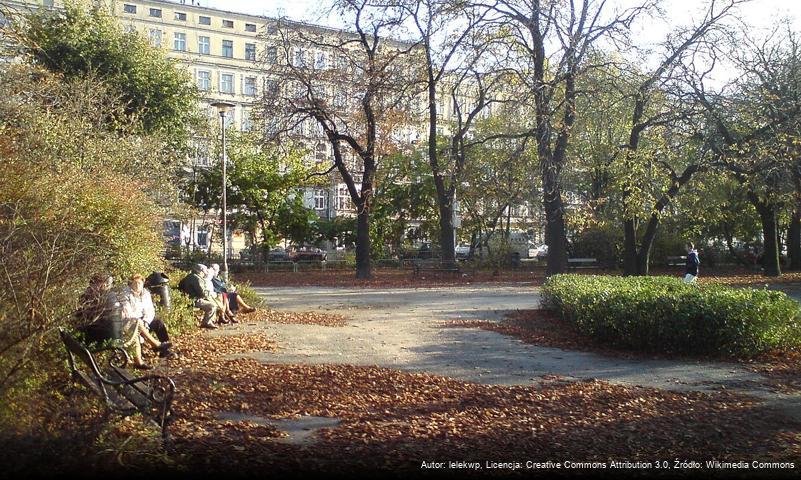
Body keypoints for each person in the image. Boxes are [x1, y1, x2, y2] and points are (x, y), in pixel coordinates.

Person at [120, 274, 173, 369]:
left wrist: (146, 321)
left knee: (158, 323)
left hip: (144, 320)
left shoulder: (146, 293)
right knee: (137, 324)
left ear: (143, 283)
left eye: (139, 283)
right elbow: (127, 313)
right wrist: (140, 322)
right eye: (135, 283)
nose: (137, 285)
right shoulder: (125, 294)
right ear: (130, 284)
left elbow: (150, 310)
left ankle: (164, 350)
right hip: (130, 321)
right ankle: (156, 345)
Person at [76, 273, 118, 343]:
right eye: (95, 282)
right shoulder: (87, 296)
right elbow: (80, 316)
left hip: (100, 334)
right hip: (99, 335)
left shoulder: (106, 296)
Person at [178, 264, 218, 329]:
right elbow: (202, 292)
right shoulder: (197, 278)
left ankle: (208, 321)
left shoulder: (189, 276)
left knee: (211, 303)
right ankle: (207, 322)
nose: (205, 273)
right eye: (204, 271)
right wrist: (208, 294)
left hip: (187, 299)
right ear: (200, 271)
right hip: (194, 300)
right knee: (212, 306)